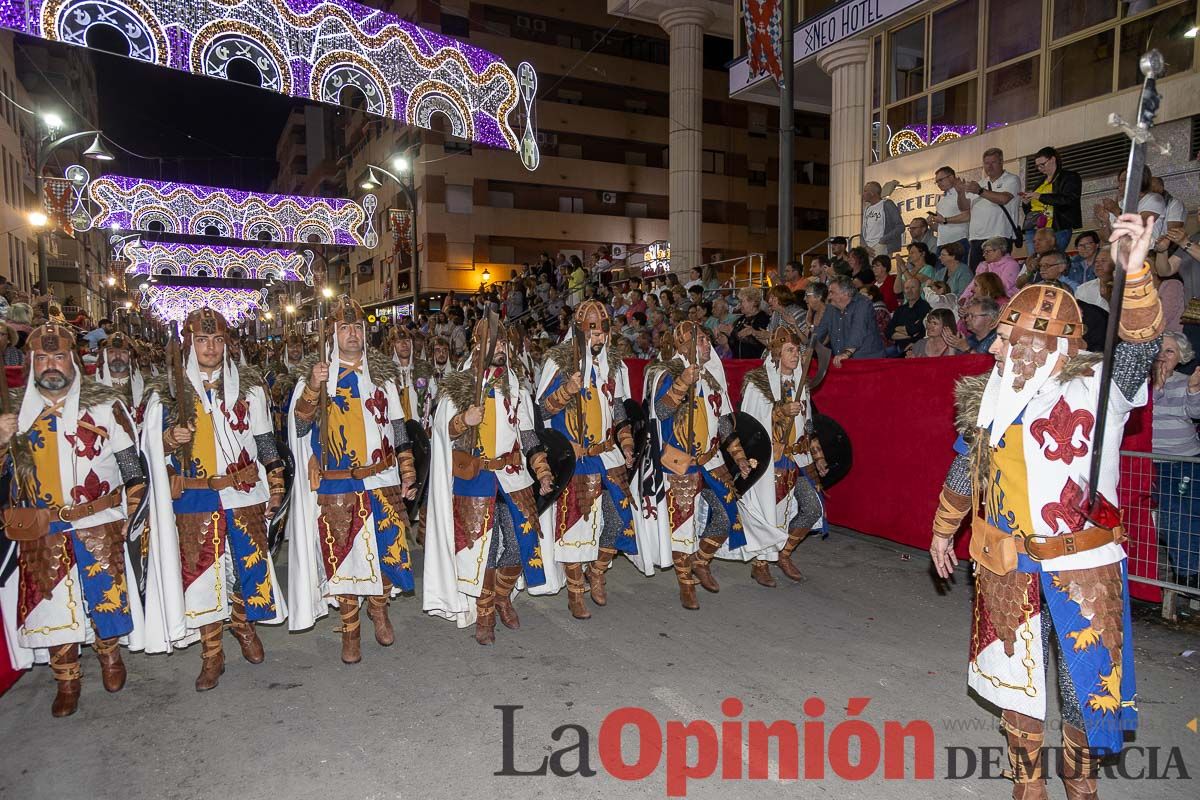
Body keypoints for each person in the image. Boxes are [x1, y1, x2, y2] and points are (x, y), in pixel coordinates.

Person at [929, 213, 1163, 800]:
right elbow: (967, 467)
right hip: (1008, 562)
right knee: (1017, 680)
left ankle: (1079, 778)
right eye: (1000, 336)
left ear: (1046, 343)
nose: (996, 346)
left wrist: (1135, 272)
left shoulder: (1100, 387)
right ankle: (1028, 780)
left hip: (1084, 564)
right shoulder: (990, 395)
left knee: (1085, 681)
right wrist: (943, 529)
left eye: (1009, 338)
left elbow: (1140, 346)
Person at [0, 322, 147, 716]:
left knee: (104, 595)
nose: (52, 364)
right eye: (43, 358)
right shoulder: (12, 412)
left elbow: (131, 466)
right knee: (51, 605)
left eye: (59, 356)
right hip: (41, 525)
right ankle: (66, 679)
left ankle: (109, 654)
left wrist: (133, 515)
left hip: (98, 520)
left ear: (74, 361)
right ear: (31, 363)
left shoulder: (105, 406)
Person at [141, 308, 287, 690]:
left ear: (227, 343)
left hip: (244, 493)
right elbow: (147, 450)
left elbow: (265, 440)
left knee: (246, 568)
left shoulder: (250, 388)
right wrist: (168, 440)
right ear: (189, 343)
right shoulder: (168, 393)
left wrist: (276, 486)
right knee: (202, 578)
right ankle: (212, 653)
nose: (210, 348)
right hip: (194, 498)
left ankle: (242, 623)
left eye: (217, 340)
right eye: (203, 340)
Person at [422, 317, 555, 645]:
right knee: (485, 549)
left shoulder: (516, 385)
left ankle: (502, 597)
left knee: (521, 542)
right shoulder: (461, 384)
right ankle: (485, 613)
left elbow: (527, 433)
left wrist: (541, 468)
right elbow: (443, 431)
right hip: (475, 479)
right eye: (494, 342)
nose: (500, 348)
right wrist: (462, 420)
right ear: (477, 346)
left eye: (504, 343)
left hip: (512, 477)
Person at [639, 321, 754, 609]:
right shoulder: (666, 373)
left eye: (706, 340)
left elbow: (723, 420)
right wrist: (682, 383)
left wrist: (738, 455)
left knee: (727, 512)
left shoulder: (711, 377)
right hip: (679, 462)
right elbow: (660, 411)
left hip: (711, 458)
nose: (707, 345)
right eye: (700, 340)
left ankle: (701, 560)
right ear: (683, 345)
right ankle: (685, 583)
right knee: (682, 526)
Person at [535, 302, 639, 618]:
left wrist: (627, 443)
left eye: (603, 331)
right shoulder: (559, 362)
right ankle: (575, 592)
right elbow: (541, 411)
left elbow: (618, 409)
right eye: (593, 332)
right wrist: (567, 390)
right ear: (580, 332)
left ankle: (598, 571)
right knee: (574, 529)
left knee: (619, 517)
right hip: (576, 459)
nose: (599, 337)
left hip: (607, 455)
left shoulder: (612, 366)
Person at [734, 327, 827, 587]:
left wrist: (817, 455)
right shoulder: (758, 384)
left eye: (797, 350)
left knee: (812, 508)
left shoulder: (801, 383)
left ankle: (784, 554)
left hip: (798, 459)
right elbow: (751, 422)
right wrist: (780, 411)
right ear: (776, 354)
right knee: (769, 513)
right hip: (771, 461)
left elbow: (808, 423)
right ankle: (761, 564)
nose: (796, 355)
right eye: (790, 350)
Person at [1151, 331, 1200, 589]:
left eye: (1170, 351)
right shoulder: (1140, 382)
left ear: (1181, 357)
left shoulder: (1186, 381)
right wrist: (1157, 387)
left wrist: (1193, 390)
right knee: (1170, 515)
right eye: (1159, 350)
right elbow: (1140, 410)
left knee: (1184, 514)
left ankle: (1188, 573)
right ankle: (1186, 573)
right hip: (1149, 462)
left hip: (1183, 460)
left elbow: (1196, 412)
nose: (1163, 355)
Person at [957, 147, 1022, 270]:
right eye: (986, 163)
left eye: (993, 162)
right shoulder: (980, 183)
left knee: (996, 275)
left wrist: (980, 191)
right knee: (977, 275)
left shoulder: (1011, 179)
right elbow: (964, 207)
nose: (989, 166)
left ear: (1001, 162)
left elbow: (1004, 199)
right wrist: (960, 193)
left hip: (999, 236)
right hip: (977, 238)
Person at [1020, 146, 1082, 254]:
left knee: (1052, 258)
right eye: (1037, 166)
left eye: (1042, 164)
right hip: (1034, 228)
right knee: (1034, 260)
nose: (1040, 169)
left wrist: (1040, 196)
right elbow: (1030, 210)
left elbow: (1069, 200)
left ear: (1053, 159)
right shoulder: (1039, 182)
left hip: (1056, 227)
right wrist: (1026, 203)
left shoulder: (1070, 177)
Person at [812, 276, 886, 364]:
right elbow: (820, 332)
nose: (828, 296)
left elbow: (858, 330)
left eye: (832, 292)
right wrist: (808, 351)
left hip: (869, 361)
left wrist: (846, 353)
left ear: (846, 293)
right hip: (843, 361)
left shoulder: (863, 304)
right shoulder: (830, 308)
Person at [390, 326, 438, 432]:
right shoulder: (386, 372)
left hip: (422, 429)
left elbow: (434, 400)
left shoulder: (424, 368)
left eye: (407, 340)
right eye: (399, 341)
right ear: (393, 345)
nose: (404, 345)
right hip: (396, 431)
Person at [94, 332, 147, 423]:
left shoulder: (146, 389)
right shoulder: (92, 390)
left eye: (123, 352)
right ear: (104, 356)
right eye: (111, 352)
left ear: (130, 356)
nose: (117, 356)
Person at [960, 237, 1020, 303]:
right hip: (985, 299)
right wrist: (964, 297)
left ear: (999, 251)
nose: (984, 255)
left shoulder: (1011, 265)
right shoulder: (982, 266)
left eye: (987, 252)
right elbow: (973, 284)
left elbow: (1002, 287)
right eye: (984, 252)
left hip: (1005, 300)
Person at [929, 165, 970, 256]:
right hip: (942, 243)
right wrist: (931, 224)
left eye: (941, 180)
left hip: (959, 240)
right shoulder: (941, 201)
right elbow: (941, 227)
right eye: (937, 182)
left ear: (951, 177)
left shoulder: (964, 193)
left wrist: (945, 220)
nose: (939, 184)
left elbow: (967, 216)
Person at [886, 277, 931, 357]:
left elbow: (918, 330)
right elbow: (888, 332)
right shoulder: (900, 309)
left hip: (914, 347)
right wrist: (909, 334)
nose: (909, 291)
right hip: (896, 346)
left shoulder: (925, 307)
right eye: (907, 288)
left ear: (920, 290)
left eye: (913, 287)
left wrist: (897, 329)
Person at [860, 181, 904, 256]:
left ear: (872, 193)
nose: (863, 194)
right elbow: (864, 230)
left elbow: (900, 226)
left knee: (880, 263)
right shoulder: (867, 208)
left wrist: (883, 240)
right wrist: (865, 246)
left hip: (882, 245)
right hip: (867, 248)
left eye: (865, 191)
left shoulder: (887, 204)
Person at [730, 287, 770, 359]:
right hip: (738, 361)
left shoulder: (763, 319)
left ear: (753, 302)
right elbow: (733, 344)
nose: (740, 305)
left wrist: (750, 334)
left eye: (742, 302)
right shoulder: (740, 320)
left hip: (755, 361)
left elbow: (763, 344)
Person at [1076, 248, 1116, 312]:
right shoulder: (1083, 289)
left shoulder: (1126, 289)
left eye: (1103, 261)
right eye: (1096, 261)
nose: (1097, 264)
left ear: (1116, 264)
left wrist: (1109, 299)